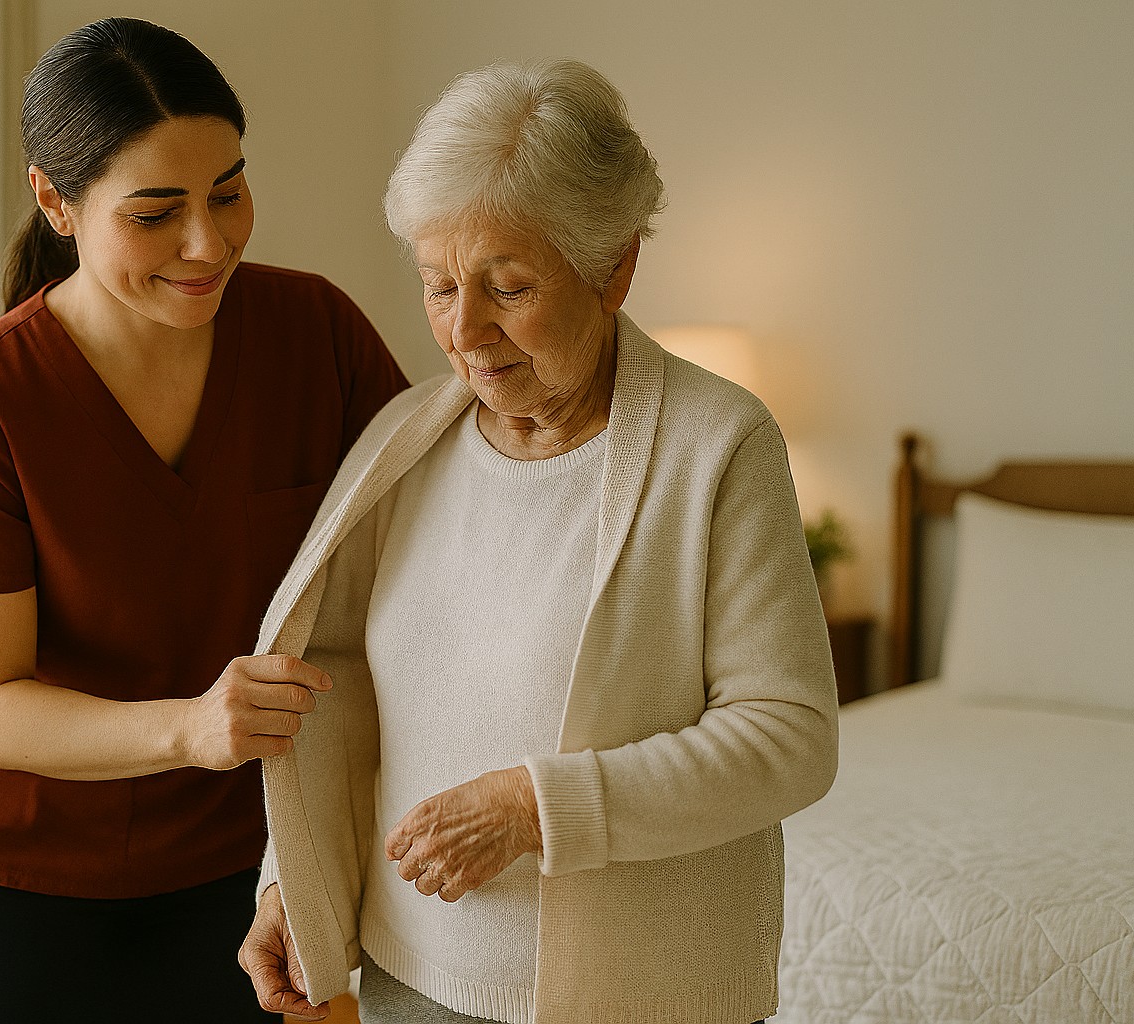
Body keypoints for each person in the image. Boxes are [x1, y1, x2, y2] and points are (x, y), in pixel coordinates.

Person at [239, 60, 838, 1024]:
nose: (465, 330)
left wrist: (534, 808)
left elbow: (790, 739)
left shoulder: (717, 445)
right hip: (409, 979)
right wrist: (290, 885)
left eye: (508, 287)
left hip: (636, 996)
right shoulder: (405, 443)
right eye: (438, 285)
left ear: (615, 271)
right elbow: (334, 681)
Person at [0, 18, 408, 1024]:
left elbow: (424, 555)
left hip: (246, 876)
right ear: (56, 202)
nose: (209, 243)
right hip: (14, 894)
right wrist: (191, 727)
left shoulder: (318, 335)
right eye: (157, 211)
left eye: (229, 190)